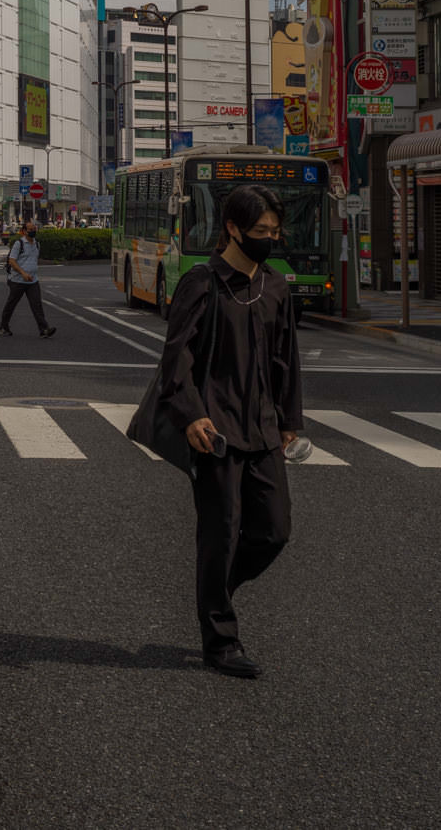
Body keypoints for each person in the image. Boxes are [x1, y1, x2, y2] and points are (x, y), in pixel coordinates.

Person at [157, 184, 303, 680]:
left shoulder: (276, 287)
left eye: (275, 231)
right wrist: (191, 414)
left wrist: (288, 422)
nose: (270, 239)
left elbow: (286, 361)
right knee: (220, 533)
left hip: (262, 429)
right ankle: (221, 641)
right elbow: (178, 357)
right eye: (261, 231)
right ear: (233, 230)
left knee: (274, 530)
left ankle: (215, 590)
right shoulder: (202, 284)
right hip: (215, 431)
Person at [0, 220, 55, 337]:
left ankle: (44, 329)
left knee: (37, 304)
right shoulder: (19, 244)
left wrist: (31, 272)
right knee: (11, 304)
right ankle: (3, 327)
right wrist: (23, 273)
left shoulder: (37, 244)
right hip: (17, 280)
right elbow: (12, 261)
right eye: (30, 230)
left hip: (33, 280)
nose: (33, 231)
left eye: (34, 229)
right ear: (24, 231)